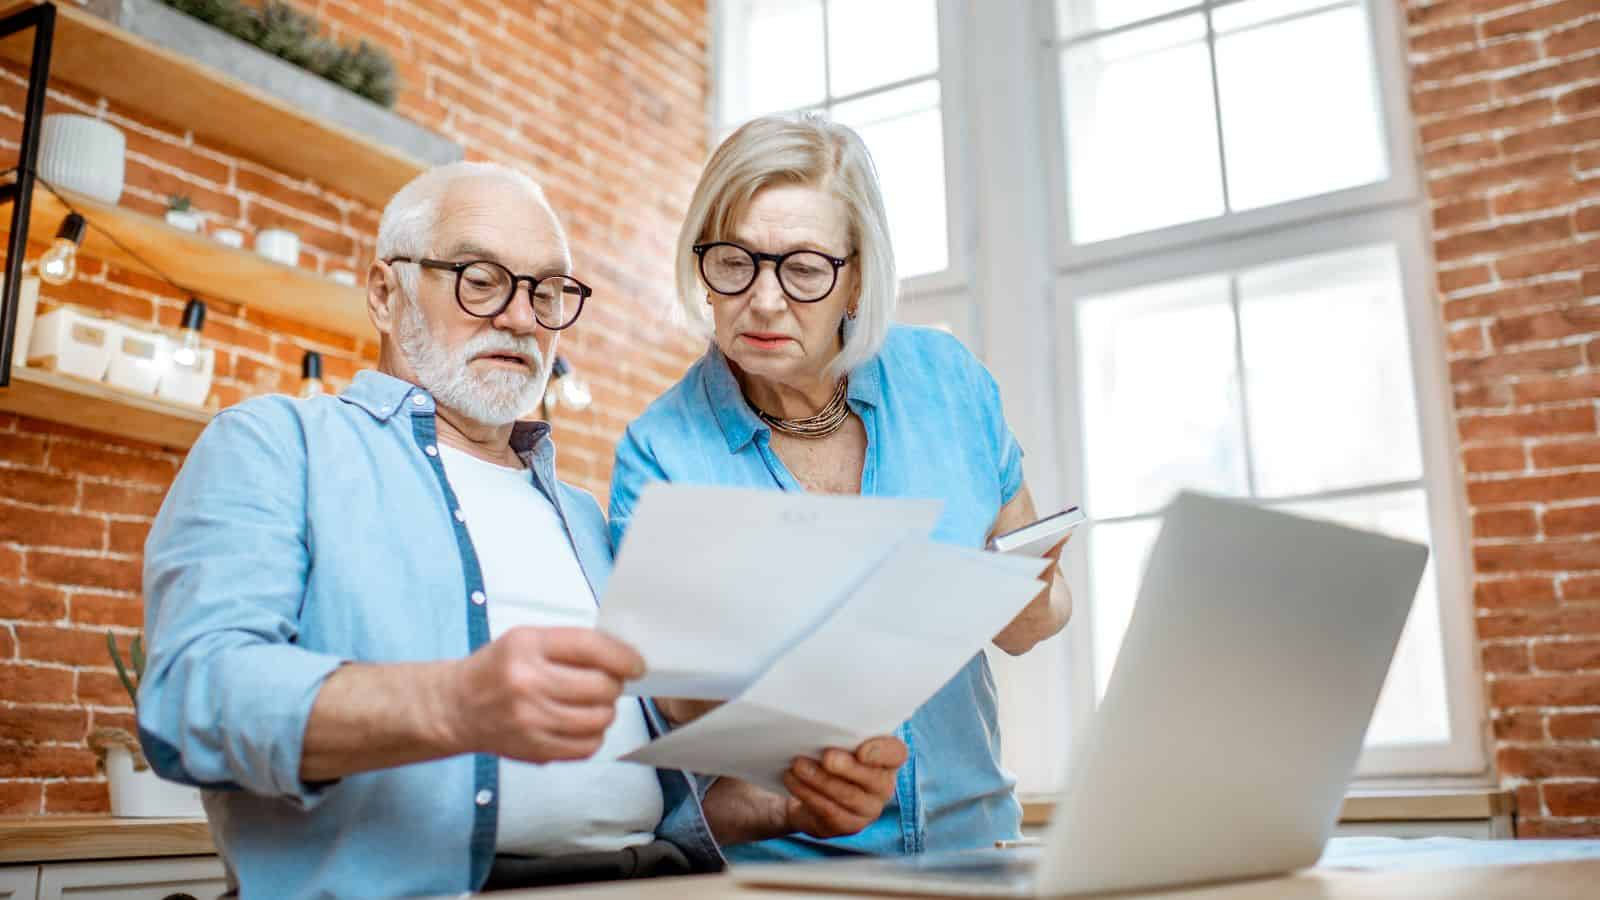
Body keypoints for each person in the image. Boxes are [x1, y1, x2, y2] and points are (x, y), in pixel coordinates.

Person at [138, 161, 906, 899]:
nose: (520, 316)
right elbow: (190, 699)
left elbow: (628, 792)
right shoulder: (279, 444)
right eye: (479, 281)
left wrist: (781, 805)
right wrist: (453, 703)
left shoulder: (582, 516)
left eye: (547, 292)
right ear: (383, 291)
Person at [608, 116, 1073, 862]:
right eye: (734, 262)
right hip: (792, 867)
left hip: (977, 846)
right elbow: (675, 710)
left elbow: (1034, 616)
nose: (762, 300)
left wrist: (1033, 593)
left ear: (856, 275)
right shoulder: (661, 451)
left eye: (802, 269)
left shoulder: (949, 383)